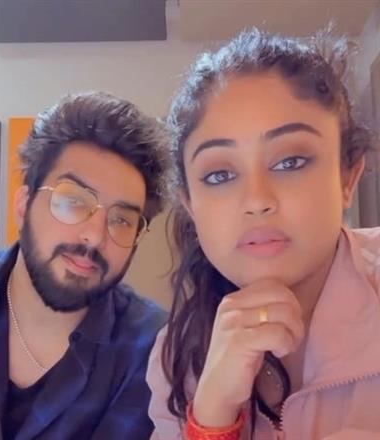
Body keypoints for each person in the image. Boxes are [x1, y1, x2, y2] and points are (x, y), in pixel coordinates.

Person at [146, 28, 380, 440]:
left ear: (348, 178)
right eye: (219, 175)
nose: (256, 200)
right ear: (191, 206)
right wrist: (210, 415)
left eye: (290, 162)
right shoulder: (176, 356)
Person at [0, 91, 168, 439]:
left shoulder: (151, 348)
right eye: (73, 202)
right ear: (23, 204)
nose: (95, 237)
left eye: (122, 220)